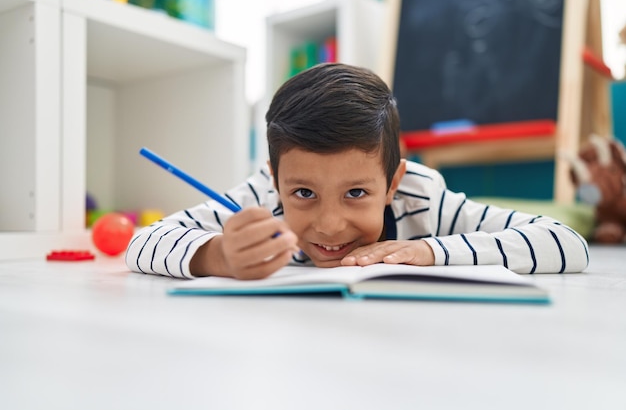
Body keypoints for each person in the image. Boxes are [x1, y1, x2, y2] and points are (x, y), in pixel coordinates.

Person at [125, 63, 589, 279]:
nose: (328, 225)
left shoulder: (423, 200)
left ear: (392, 182)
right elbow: (141, 242)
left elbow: (567, 244)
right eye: (303, 193)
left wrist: (428, 251)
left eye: (356, 194)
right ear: (274, 178)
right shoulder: (261, 197)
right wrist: (218, 256)